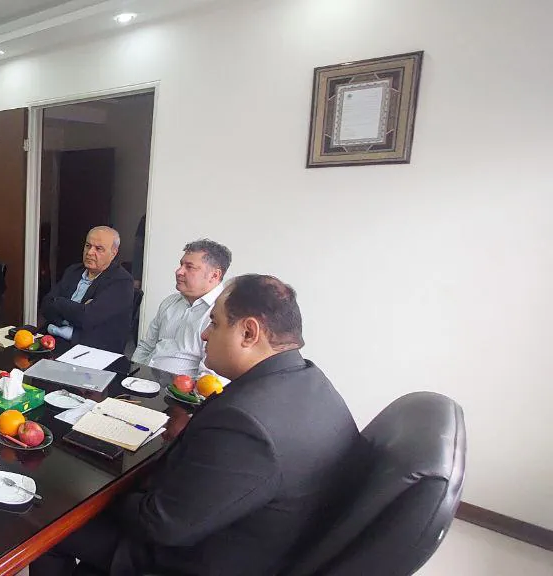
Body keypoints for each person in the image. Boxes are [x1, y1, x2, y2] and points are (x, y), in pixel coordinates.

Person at [29, 274, 359, 576]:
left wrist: (91, 491)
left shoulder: (246, 424)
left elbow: (160, 524)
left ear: (248, 333)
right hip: (250, 537)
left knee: (48, 524)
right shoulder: (312, 381)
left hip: (191, 559)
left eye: (214, 323)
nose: (204, 334)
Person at [131, 239, 232, 378]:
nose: (179, 271)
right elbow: (146, 346)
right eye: (181, 265)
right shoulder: (171, 302)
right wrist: (134, 374)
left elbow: (210, 377)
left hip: (180, 390)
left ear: (214, 275)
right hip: (143, 380)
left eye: (189, 267)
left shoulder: (224, 313)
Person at [40, 226, 136, 352]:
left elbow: (87, 317)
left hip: (89, 350)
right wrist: (75, 309)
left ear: (113, 253)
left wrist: (58, 302)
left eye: (98, 249)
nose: (90, 252)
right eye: (88, 246)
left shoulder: (121, 281)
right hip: (54, 339)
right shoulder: (73, 271)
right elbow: (46, 305)